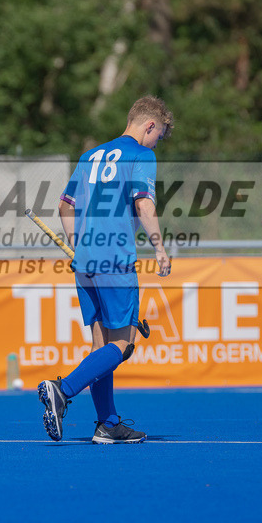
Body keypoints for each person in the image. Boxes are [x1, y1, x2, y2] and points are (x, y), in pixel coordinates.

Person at [38, 95, 174, 444]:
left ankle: (107, 424)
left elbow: (65, 205)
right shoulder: (141, 154)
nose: (156, 142)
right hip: (115, 257)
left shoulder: (89, 156)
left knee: (103, 346)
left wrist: (77, 242)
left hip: (84, 260)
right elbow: (143, 202)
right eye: (157, 136)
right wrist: (159, 246)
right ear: (149, 126)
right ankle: (62, 390)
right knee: (123, 346)